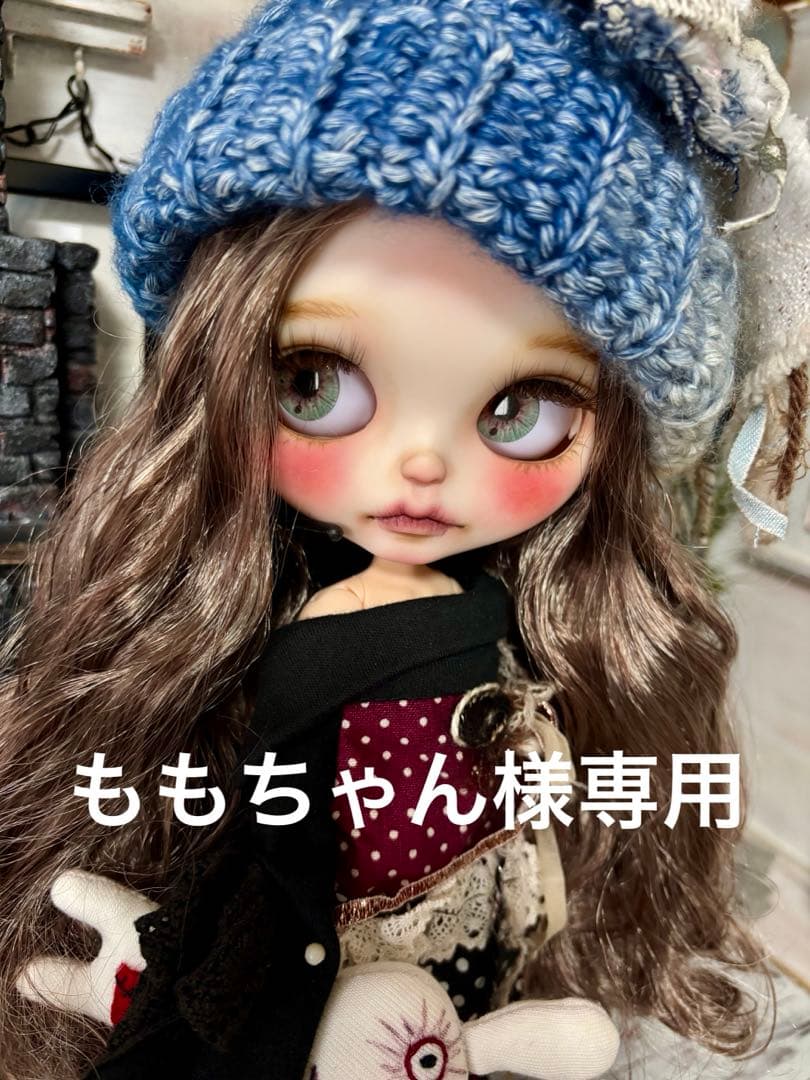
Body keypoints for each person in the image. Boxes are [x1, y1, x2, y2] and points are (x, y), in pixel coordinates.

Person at [2, 0, 808, 1077]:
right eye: (313, 383)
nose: (421, 465)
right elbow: (253, 869)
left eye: (521, 408)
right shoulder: (260, 648)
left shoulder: (538, 618)